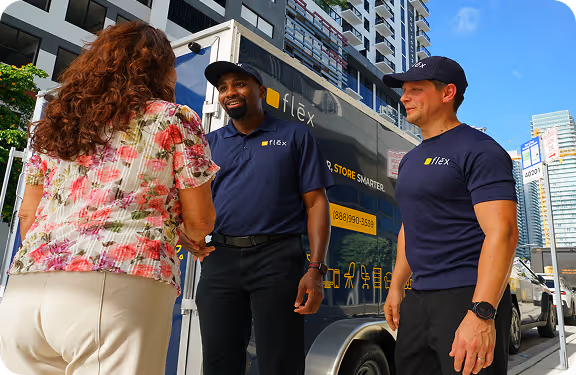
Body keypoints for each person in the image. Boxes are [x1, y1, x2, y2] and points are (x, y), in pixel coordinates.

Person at [0, 21, 219, 375]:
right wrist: (191, 238)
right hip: (118, 286)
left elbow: (28, 214)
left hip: (27, 288)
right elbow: (201, 220)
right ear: (160, 68)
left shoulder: (57, 123)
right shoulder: (173, 119)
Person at [183, 61, 333, 375]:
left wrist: (315, 269)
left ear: (261, 91)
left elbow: (317, 204)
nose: (229, 93)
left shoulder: (295, 135)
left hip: (277, 257)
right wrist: (186, 232)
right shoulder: (208, 144)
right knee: (218, 360)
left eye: (239, 84)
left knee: (280, 361)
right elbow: (192, 202)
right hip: (220, 258)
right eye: (222, 88)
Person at [381, 56, 519, 375]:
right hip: (419, 301)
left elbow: (503, 233)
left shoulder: (480, 150)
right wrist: (397, 285)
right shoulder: (410, 161)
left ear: (447, 94)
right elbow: (410, 226)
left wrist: (482, 313)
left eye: (415, 89)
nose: (404, 97)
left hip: (466, 297)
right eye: (404, 90)